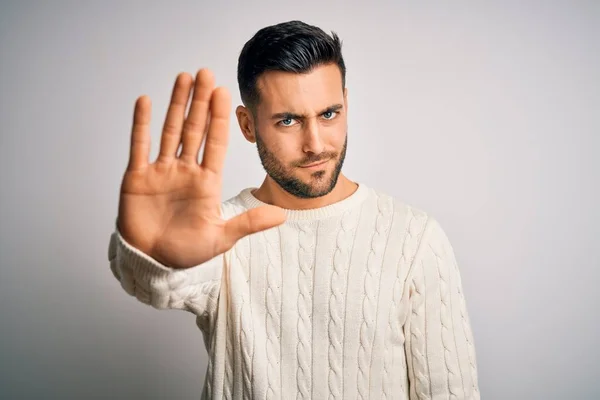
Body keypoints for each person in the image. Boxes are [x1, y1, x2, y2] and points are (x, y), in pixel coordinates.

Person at [108, 20, 480, 400]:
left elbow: (450, 392)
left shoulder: (414, 238)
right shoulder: (219, 232)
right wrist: (150, 250)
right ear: (247, 124)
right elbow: (159, 287)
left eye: (329, 114)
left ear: (346, 105)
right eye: (288, 120)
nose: (315, 144)